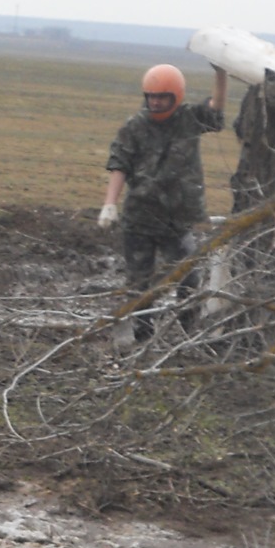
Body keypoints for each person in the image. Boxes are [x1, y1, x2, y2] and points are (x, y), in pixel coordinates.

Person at [97, 62, 228, 340]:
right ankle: (143, 339)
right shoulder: (134, 127)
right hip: (140, 220)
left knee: (188, 279)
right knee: (140, 285)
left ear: (176, 96)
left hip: (177, 222)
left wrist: (221, 73)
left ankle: (190, 335)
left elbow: (216, 108)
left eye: (162, 97)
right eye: (151, 97)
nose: (156, 102)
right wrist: (110, 203)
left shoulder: (190, 119)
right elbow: (119, 164)